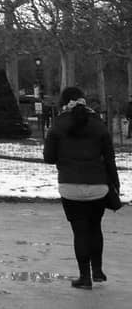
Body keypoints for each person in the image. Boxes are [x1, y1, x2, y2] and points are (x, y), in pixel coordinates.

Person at [43, 86, 121, 289]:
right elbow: (110, 159)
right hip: (98, 186)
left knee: (80, 232)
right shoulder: (99, 125)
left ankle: (84, 277)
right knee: (95, 227)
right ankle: (98, 270)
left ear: (64, 103)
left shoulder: (58, 125)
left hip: (70, 186)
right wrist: (115, 185)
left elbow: (49, 158)